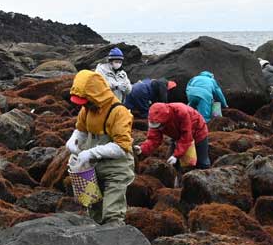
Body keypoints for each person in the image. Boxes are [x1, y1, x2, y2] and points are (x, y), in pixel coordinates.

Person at [65, 70, 135, 225]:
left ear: (95, 95)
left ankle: (116, 243)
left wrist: (91, 152)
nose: (85, 105)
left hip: (116, 170)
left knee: (112, 214)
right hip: (92, 169)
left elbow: (122, 147)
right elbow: (81, 130)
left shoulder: (118, 112)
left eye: (86, 101)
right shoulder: (87, 109)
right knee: (93, 210)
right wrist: (74, 140)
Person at [140, 101, 211, 169]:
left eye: (159, 125)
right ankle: (178, 179)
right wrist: (142, 148)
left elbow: (186, 137)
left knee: (202, 161)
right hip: (177, 134)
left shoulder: (181, 112)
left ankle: (206, 176)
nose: (158, 128)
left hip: (198, 131)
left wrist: (176, 155)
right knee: (171, 162)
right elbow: (153, 139)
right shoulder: (154, 120)